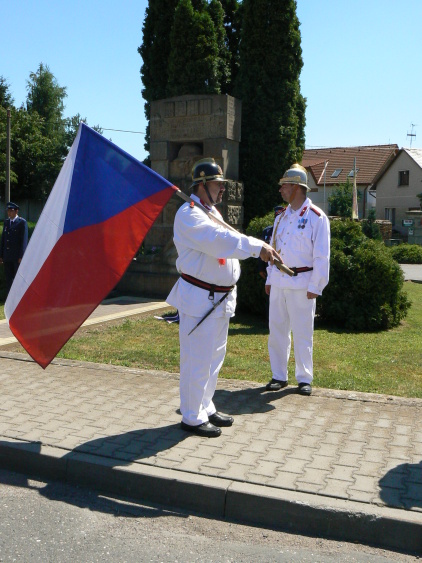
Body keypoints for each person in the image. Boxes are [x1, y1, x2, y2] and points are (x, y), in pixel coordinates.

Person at [167, 158, 283, 438]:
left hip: (218, 299)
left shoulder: (210, 212)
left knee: (214, 359)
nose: (222, 189)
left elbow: (226, 241)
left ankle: (205, 406)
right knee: (197, 359)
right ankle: (192, 415)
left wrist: (254, 248)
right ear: (202, 184)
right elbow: (218, 241)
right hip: (200, 299)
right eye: (218, 184)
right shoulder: (189, 214)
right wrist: (257, 247)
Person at [265, 164, 330, 396]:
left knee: (303, 332)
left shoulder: (316, 217)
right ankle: (279, 375)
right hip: (279, 282)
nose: (281, 189)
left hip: (302, 282)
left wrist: (316, 285)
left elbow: (322, 256)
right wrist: (269, 278)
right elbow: (273, 250)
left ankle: (304, 378)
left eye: (285, 185)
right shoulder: (281, 218)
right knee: (277, 331)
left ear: (296, 187)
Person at [0, 202, 28, 296]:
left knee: (17, 278)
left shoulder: (21, 222)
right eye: (8, 211)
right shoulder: (6, 222)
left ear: (16, 211)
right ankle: (9, 298)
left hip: (16, 257)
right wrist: (1, 255)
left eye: (11, 211)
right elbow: (3, 239)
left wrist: (21, 256)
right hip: (7, 256)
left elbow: (23, 241)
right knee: (8, 279)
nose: (9, 213)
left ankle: (18, 297)